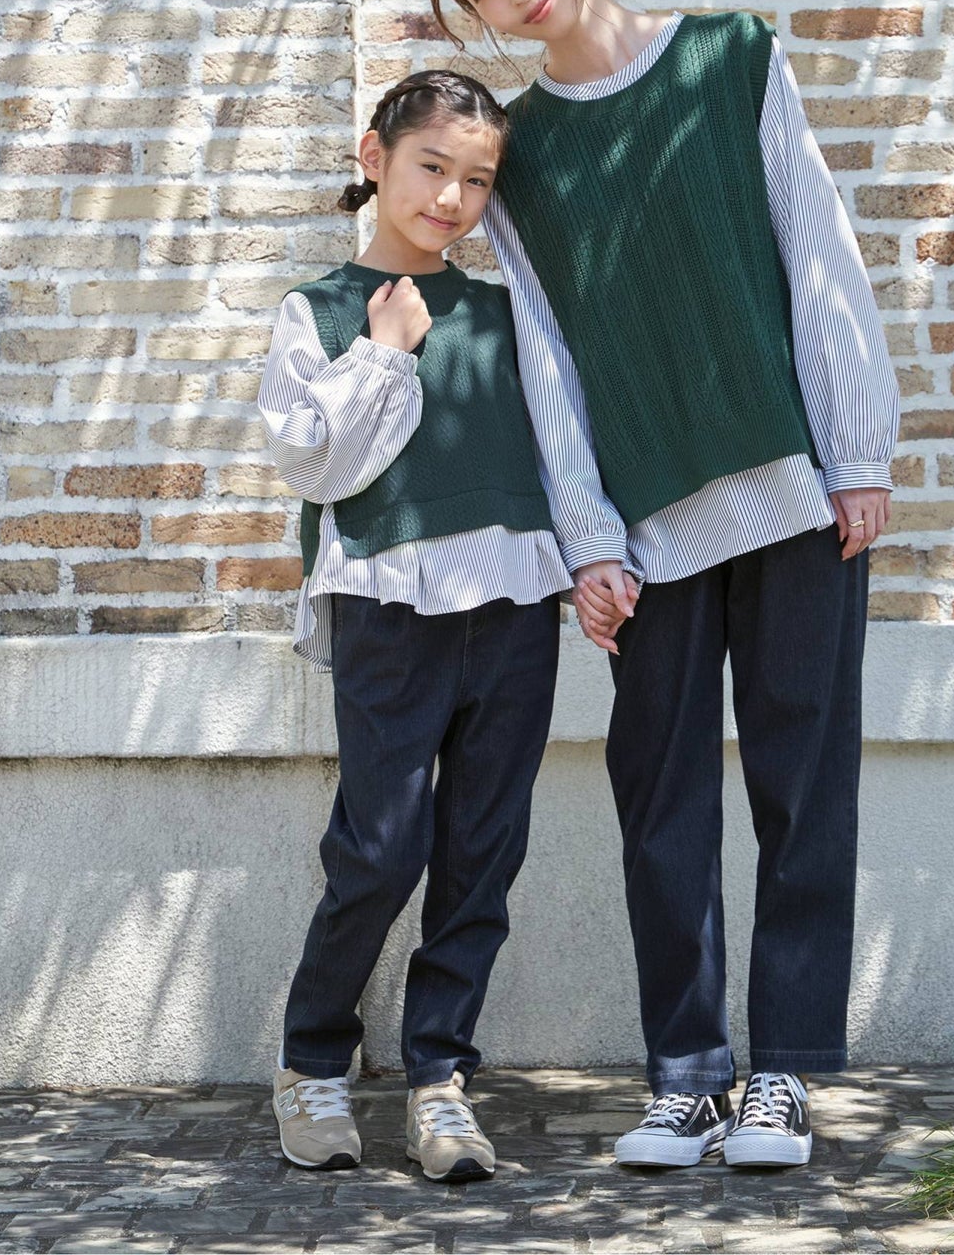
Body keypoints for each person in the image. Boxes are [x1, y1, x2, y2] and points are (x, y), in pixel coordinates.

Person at [423, 0, 901, 1170]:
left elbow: (815, 243)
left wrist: (857, 447)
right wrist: (587, 541)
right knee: (662, 801)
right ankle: (687, 1080)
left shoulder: (730, 59)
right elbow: (547, 360)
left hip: (797, 494)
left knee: (805, 789)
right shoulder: (524, 163)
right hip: (650, 537)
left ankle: (784, 1077)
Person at [257, 69, 571, 1182]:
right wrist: (385, 349)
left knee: (484, 848)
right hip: (389, 608)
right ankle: (311, 1060)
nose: (451, 198)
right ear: (375, 155)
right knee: (381, 849)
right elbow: (317, 466)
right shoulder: (320, 311)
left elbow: (562, 452)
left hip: (516, 604)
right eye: (433, 166)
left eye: (476, 180)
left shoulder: (507, 312)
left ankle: (440, 1078)